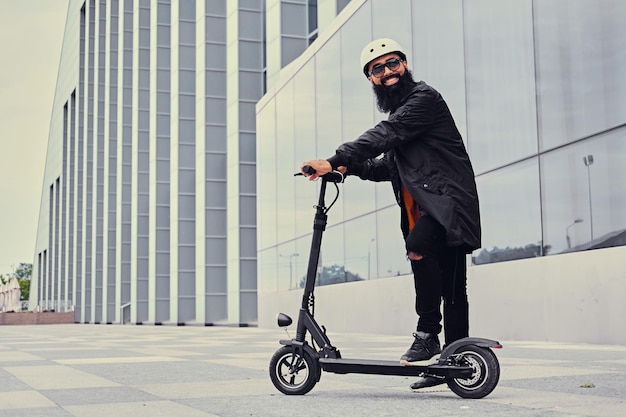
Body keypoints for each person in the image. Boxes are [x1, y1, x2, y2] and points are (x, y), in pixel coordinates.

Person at [300, 38, 481, 390]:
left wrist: (336, 158)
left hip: (448, 205)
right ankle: (452, 364)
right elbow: (386, 165)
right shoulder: (404, 117)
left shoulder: (424, 100)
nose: (387, 73)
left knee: (423, 253)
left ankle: (429, 333)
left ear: (405, 65)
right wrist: (347, 169)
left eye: (393, 64)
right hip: (428, 207)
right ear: (371, 79)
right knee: (452, 288)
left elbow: (387, 134)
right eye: (377, 69)